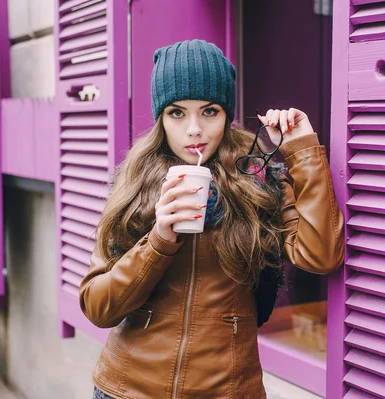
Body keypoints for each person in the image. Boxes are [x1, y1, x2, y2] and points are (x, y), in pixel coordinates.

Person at [80, 39, 344, 399]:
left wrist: (302, 150)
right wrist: (158, 240)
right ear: (160, 117)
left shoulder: (258, 179)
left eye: (209, 111)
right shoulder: (134, 182)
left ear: (226, 113)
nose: (194, 129)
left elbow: (321, 255)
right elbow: (98, 307)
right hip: (127, 389)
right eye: (177, 112)